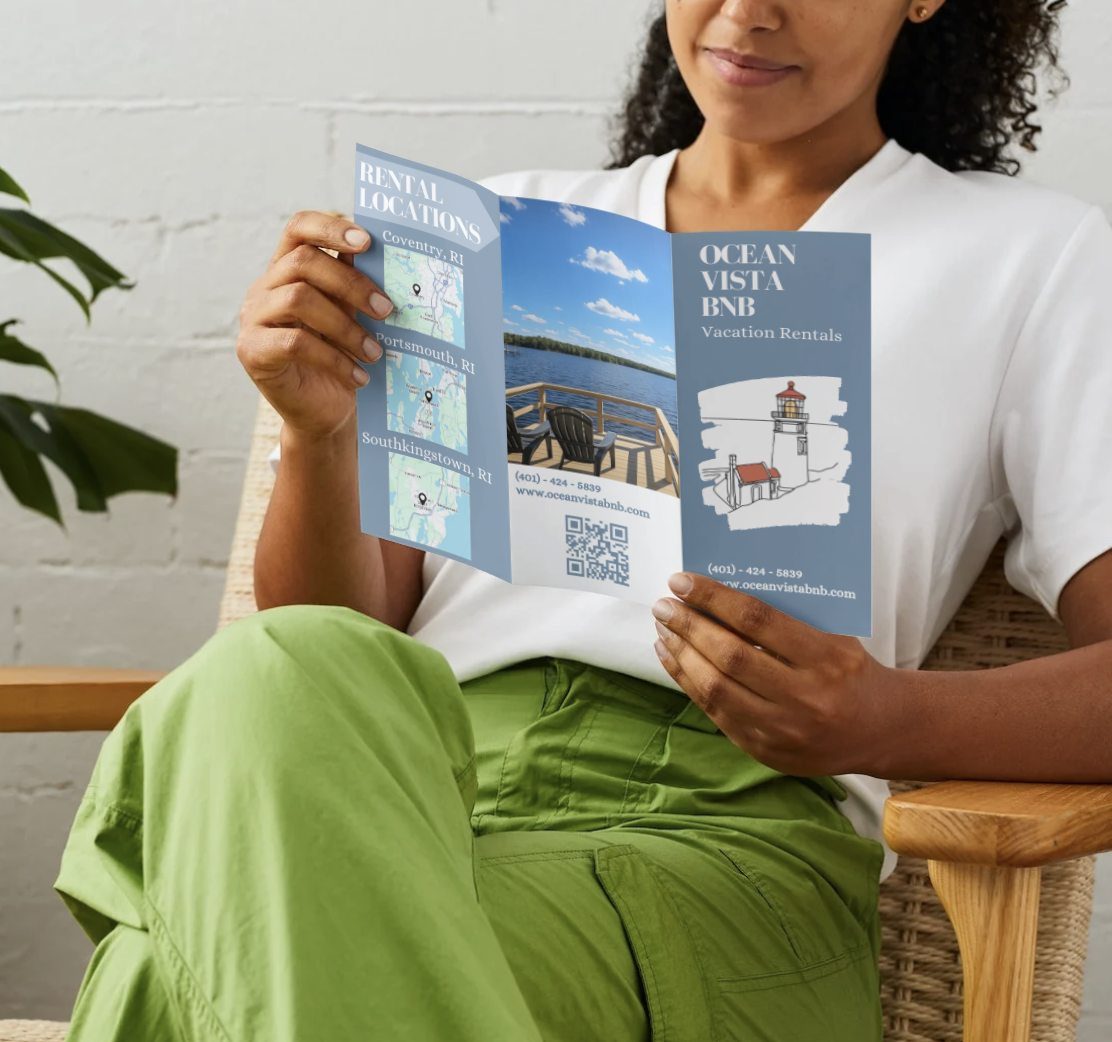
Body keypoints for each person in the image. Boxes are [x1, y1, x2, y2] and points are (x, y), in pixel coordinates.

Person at [55, 1, 1112, 1040]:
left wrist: (877, 717)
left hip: (715, 835)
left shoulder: (1028, 258)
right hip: (411, 778)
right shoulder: (501, 223)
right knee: (275, 662)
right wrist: (319, 433)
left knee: (167, 973)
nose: (747, 13)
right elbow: (347, 630)